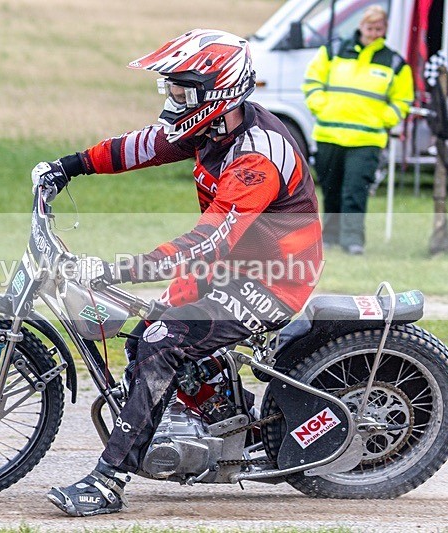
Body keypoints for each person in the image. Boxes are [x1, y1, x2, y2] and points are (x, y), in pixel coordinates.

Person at [31, 29, 323, 517]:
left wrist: (113, 269)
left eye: (182, 89)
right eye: (171, 87)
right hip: (233, 266)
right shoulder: (211, 127)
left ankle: (109, 482)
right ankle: (220, 421)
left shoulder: (255, 157)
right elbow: (140, 147)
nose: (172, 98)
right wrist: (68, 167)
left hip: (273, 277)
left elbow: (206, 241)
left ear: (219, 90)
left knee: (160, 341)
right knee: (140, 331)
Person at [302, 5, 413, 255]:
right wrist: (321, 106)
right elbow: (312, 80)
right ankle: (328, 237)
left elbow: (403, 100)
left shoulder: (395, 63)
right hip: (329, 134)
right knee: (330, 189)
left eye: (379, 28)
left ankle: (353, 240)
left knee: (355, 191)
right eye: (369, 27)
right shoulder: (333, 50)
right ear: (360, 26)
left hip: (366, 139)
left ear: (385, 29)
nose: (374, 33)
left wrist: (383, 119)